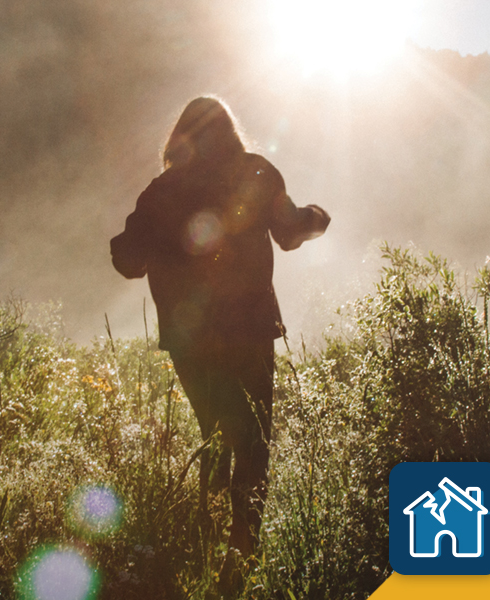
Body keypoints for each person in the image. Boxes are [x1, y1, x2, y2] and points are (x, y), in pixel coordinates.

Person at [111, 96, 330, 588]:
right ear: (230, 132)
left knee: (213, 431)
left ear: (179, 138)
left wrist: (150, 242)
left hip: (191, 338)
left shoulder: (162, 190)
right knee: (253, 442)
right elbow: (292, 233)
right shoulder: (255, 172)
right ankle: (241, 559)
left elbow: (128, 261)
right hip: (250, 328)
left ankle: (207, 548)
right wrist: (319, 215)